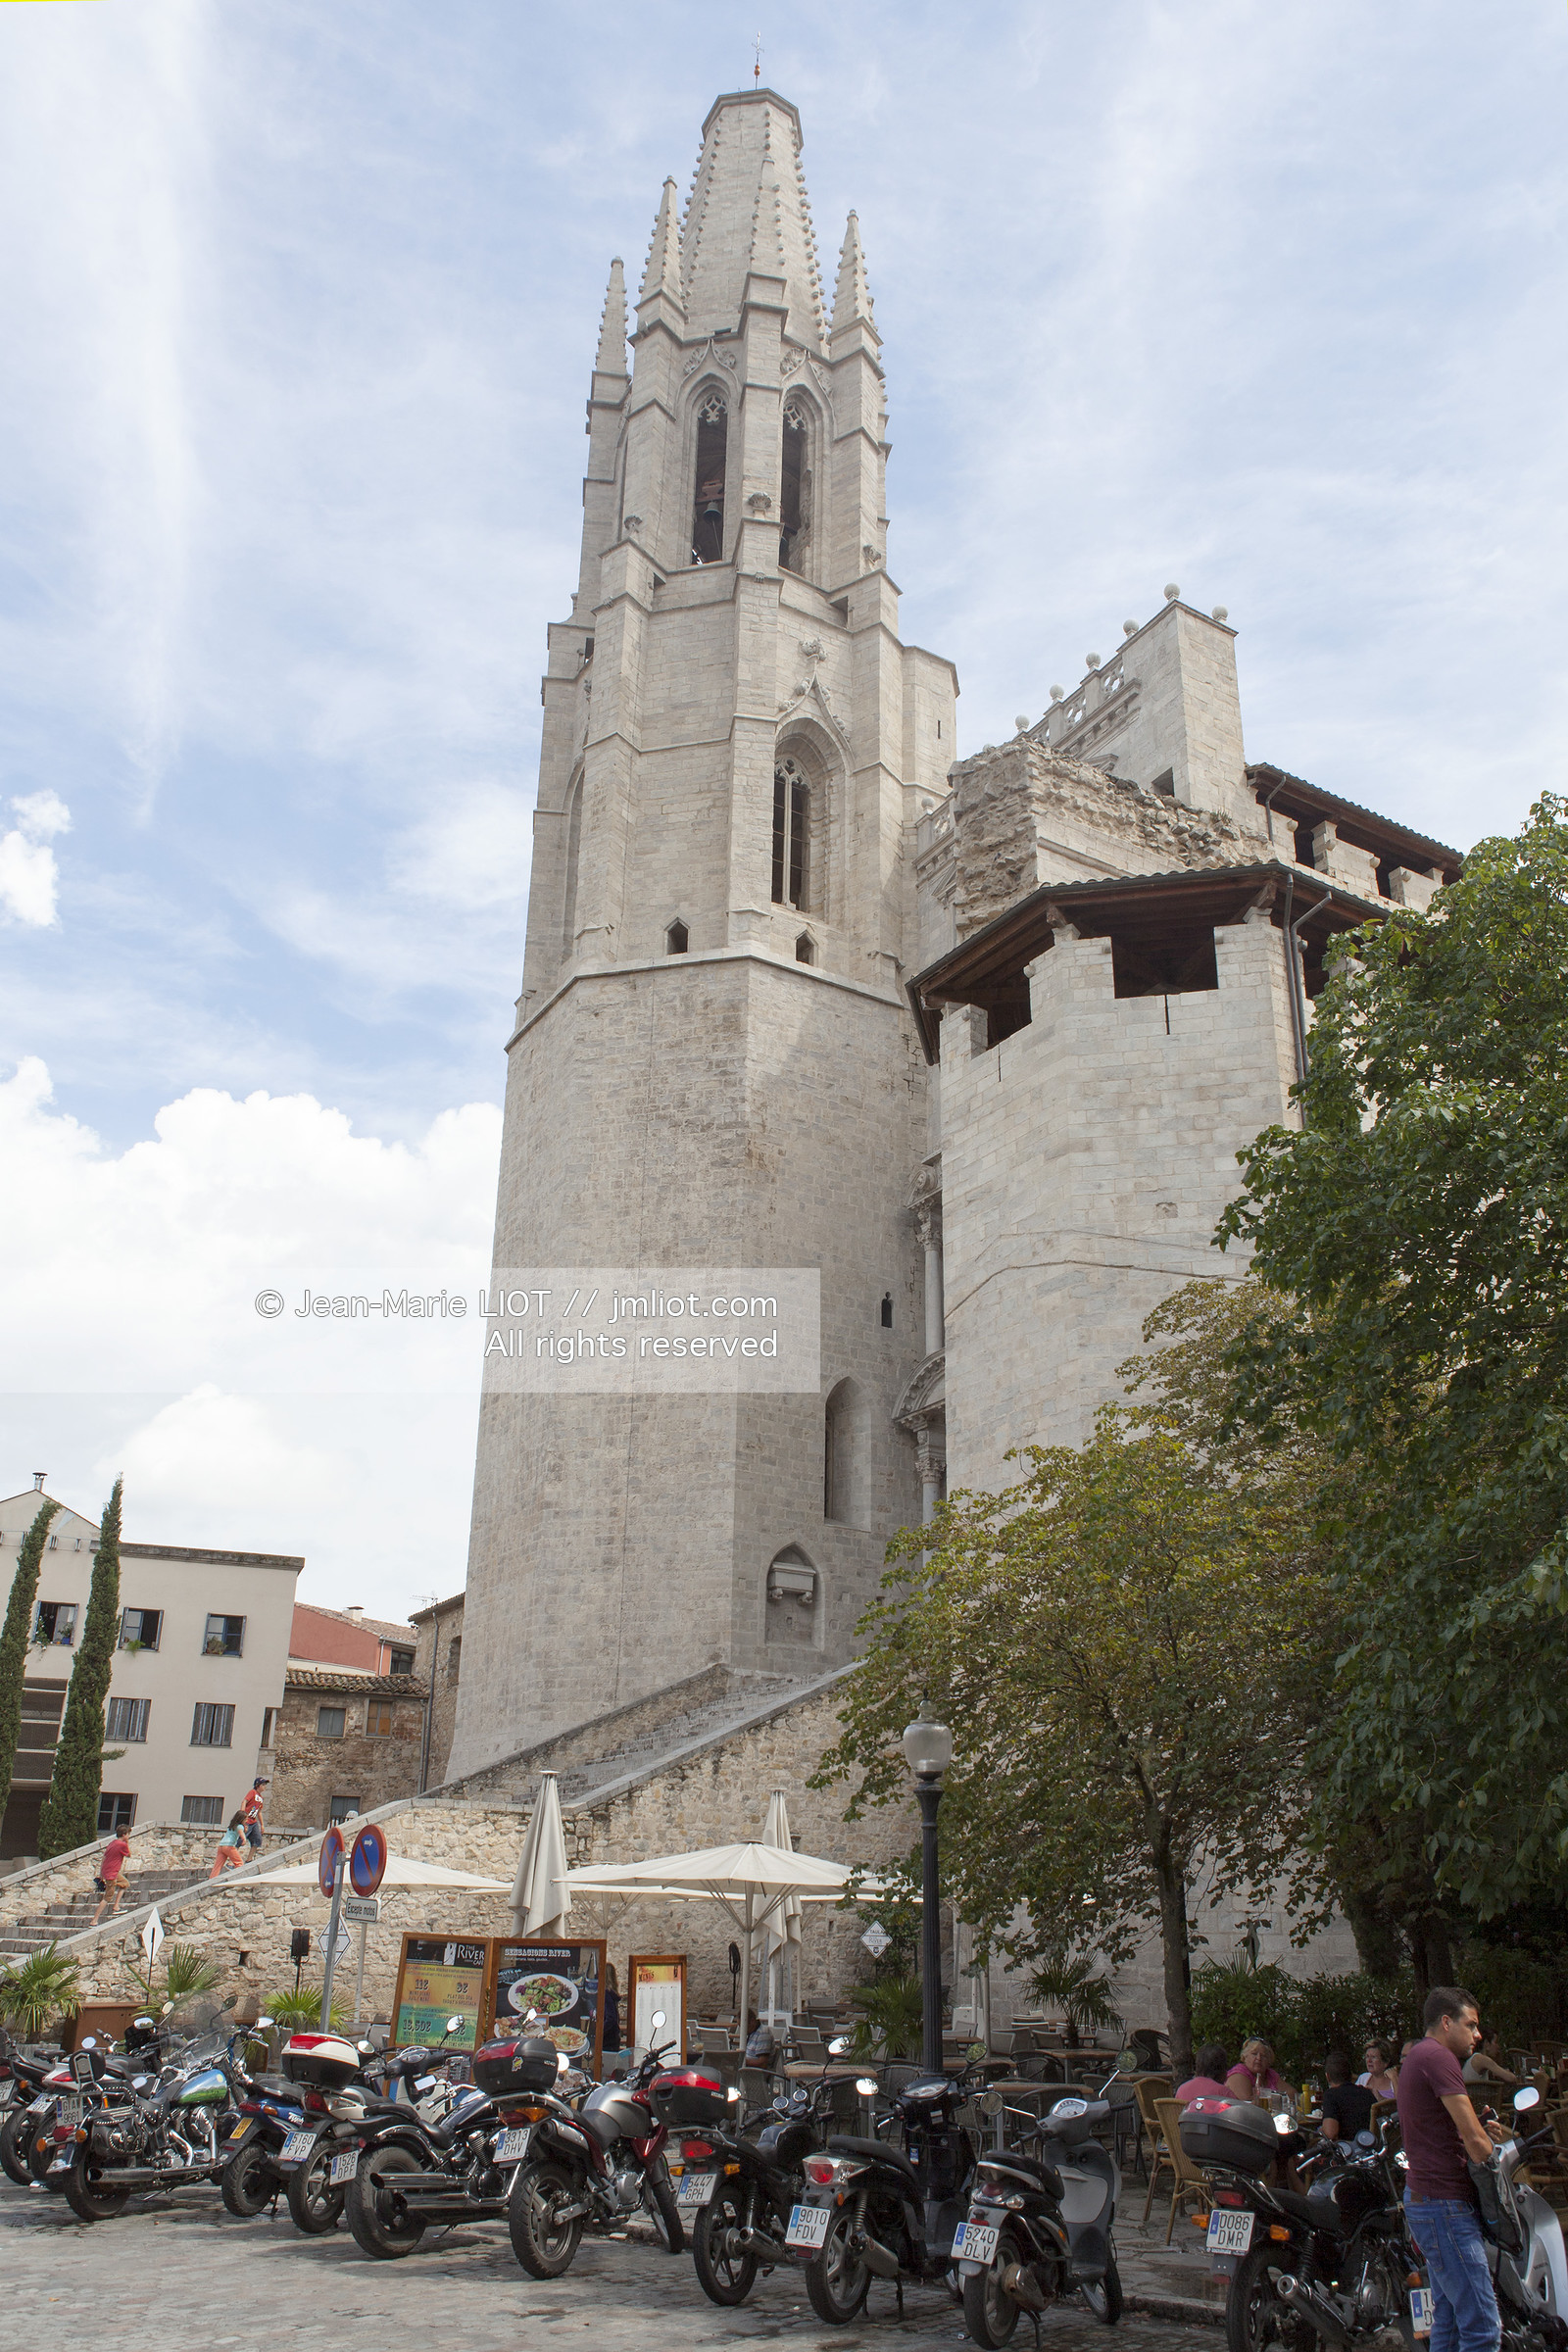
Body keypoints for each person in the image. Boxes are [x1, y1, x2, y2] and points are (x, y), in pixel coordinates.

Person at [1397, 1985, 1505, 2352]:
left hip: (1428, 2201)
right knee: (1482, 2329)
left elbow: (1447, 2125)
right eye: (1470, 2024)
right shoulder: (1439, 2058)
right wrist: (1491, 2149)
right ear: (1446, 2022)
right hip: (1445, 2206)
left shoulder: (1418, 2056)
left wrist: (1475, 2128)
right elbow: (1475, 2142)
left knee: (1450, 2324)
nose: (1477, 2034)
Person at [1320, 2050, 1375, 2141]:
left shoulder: (1331, 2095)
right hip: (1370, 2147)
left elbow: (1330, 2134)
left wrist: (1321, 2130)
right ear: (1350, 2075)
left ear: (1328, 2077)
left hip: (1347, 2149)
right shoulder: (1366, 2093)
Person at [1225, 2037, 1286, 2103]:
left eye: (1263, 2055)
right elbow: (1248, 2103)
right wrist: (1276, 2097)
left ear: (1268, 2060)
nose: (1259, 2058)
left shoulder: (1270, 2074)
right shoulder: (1238, 2074)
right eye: (1254, 2054)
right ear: (1245, 2057)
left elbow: (1291, 2094)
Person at [90, 1830, 132, 1923]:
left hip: (108, 1872)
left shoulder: (112, 1843)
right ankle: (94, 1920)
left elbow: (104, 1857)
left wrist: (101, 1873)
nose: (129, 1836)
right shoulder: (122, 1845)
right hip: (112, 1874)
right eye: (128, 1834)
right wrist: (127, 1843)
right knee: (108, 1897)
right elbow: (129, 1855)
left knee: (125, 1884)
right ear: (124, 1834)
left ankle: (116, 1906)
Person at [208, 1814, 248, 1878]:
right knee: (239, 1863)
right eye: (245, 1819)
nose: (246, 1821)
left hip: (221, 1845)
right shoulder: (240, 1826)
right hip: (229, 1846)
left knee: (217, 1866)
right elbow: (241, 1832)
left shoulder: (232, 1826)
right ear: (241, 1819)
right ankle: (236, 1878)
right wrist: (244, 1839)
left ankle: (211, 1880)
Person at [241, 1777, 268, 1856]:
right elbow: (244, 1801)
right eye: (263, 1784)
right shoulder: (252, 1792)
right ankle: (231, 1862)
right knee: (241, 1839)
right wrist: (242, 1815)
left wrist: (262, 1825)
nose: (265, 1786)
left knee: (257, 1840)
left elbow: (259, 1812)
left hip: (253, 1821)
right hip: (247, 1820)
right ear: (258, 1785)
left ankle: (249, 1859)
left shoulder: (261, 1798)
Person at [602, 1963, 621, 2054]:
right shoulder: (612, 1994)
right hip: (613, 2039)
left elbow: (610, 2018)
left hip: (607, 2041)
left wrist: (600, 2032)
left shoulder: (606, 1995)